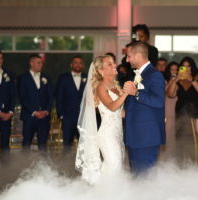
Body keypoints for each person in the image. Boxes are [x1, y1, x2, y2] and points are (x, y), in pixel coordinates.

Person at [76, 55, 127, 184]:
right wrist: (127, 93)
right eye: (109, 64)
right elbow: (112, 107)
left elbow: (120, 113)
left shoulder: (116, 86)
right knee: (113, 166)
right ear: (101, 71)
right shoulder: (100, 87)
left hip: (117, 132)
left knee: (116, 166)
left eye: (113, 63)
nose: (114, 65)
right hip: (107, 134)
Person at [123, 41, 165, 174]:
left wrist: (135, 92)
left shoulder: (155, 75)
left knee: (145, 180)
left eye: (129, 56)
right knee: (136, 178)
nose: (126, 59)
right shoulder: (137, 75)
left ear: (139, 55)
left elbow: (158, 101)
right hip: (135, 136)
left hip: (146, 136)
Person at [18, 54, 53, 151]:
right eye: (38, 63)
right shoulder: (23, 78)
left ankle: (42, 165)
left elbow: (50, 97)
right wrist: (34, 112)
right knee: (26, 143)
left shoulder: (46, 77)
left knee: (43, 144)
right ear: (31, 63)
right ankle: (25, 164)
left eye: (41, 63)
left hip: (44, 118)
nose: (40, 65)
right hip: (29, 116)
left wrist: (46, 111)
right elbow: (23, 98)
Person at [56, 56, 87, 151]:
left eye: (80, 63)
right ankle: (65, 164)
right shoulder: (63, 78)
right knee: (67, 145)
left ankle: (84, 164)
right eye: (76, 62)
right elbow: (59, 97)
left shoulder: (87, 78)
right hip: (68, 117)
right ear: (71, 64)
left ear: (83, 65)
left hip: (84, 117)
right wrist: (61, 115)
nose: (78, 64)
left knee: (85, 144)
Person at [163, 61, 178, 155]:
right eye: (172, 69)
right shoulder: (164, 81)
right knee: (168, 130)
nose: (174, 71)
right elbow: (166, 92)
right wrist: (173, 80)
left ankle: (174, 155)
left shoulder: (181, 81)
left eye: (176, 70)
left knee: (175, 130)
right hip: (167, 107)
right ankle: (166, 155)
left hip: (176, 106)